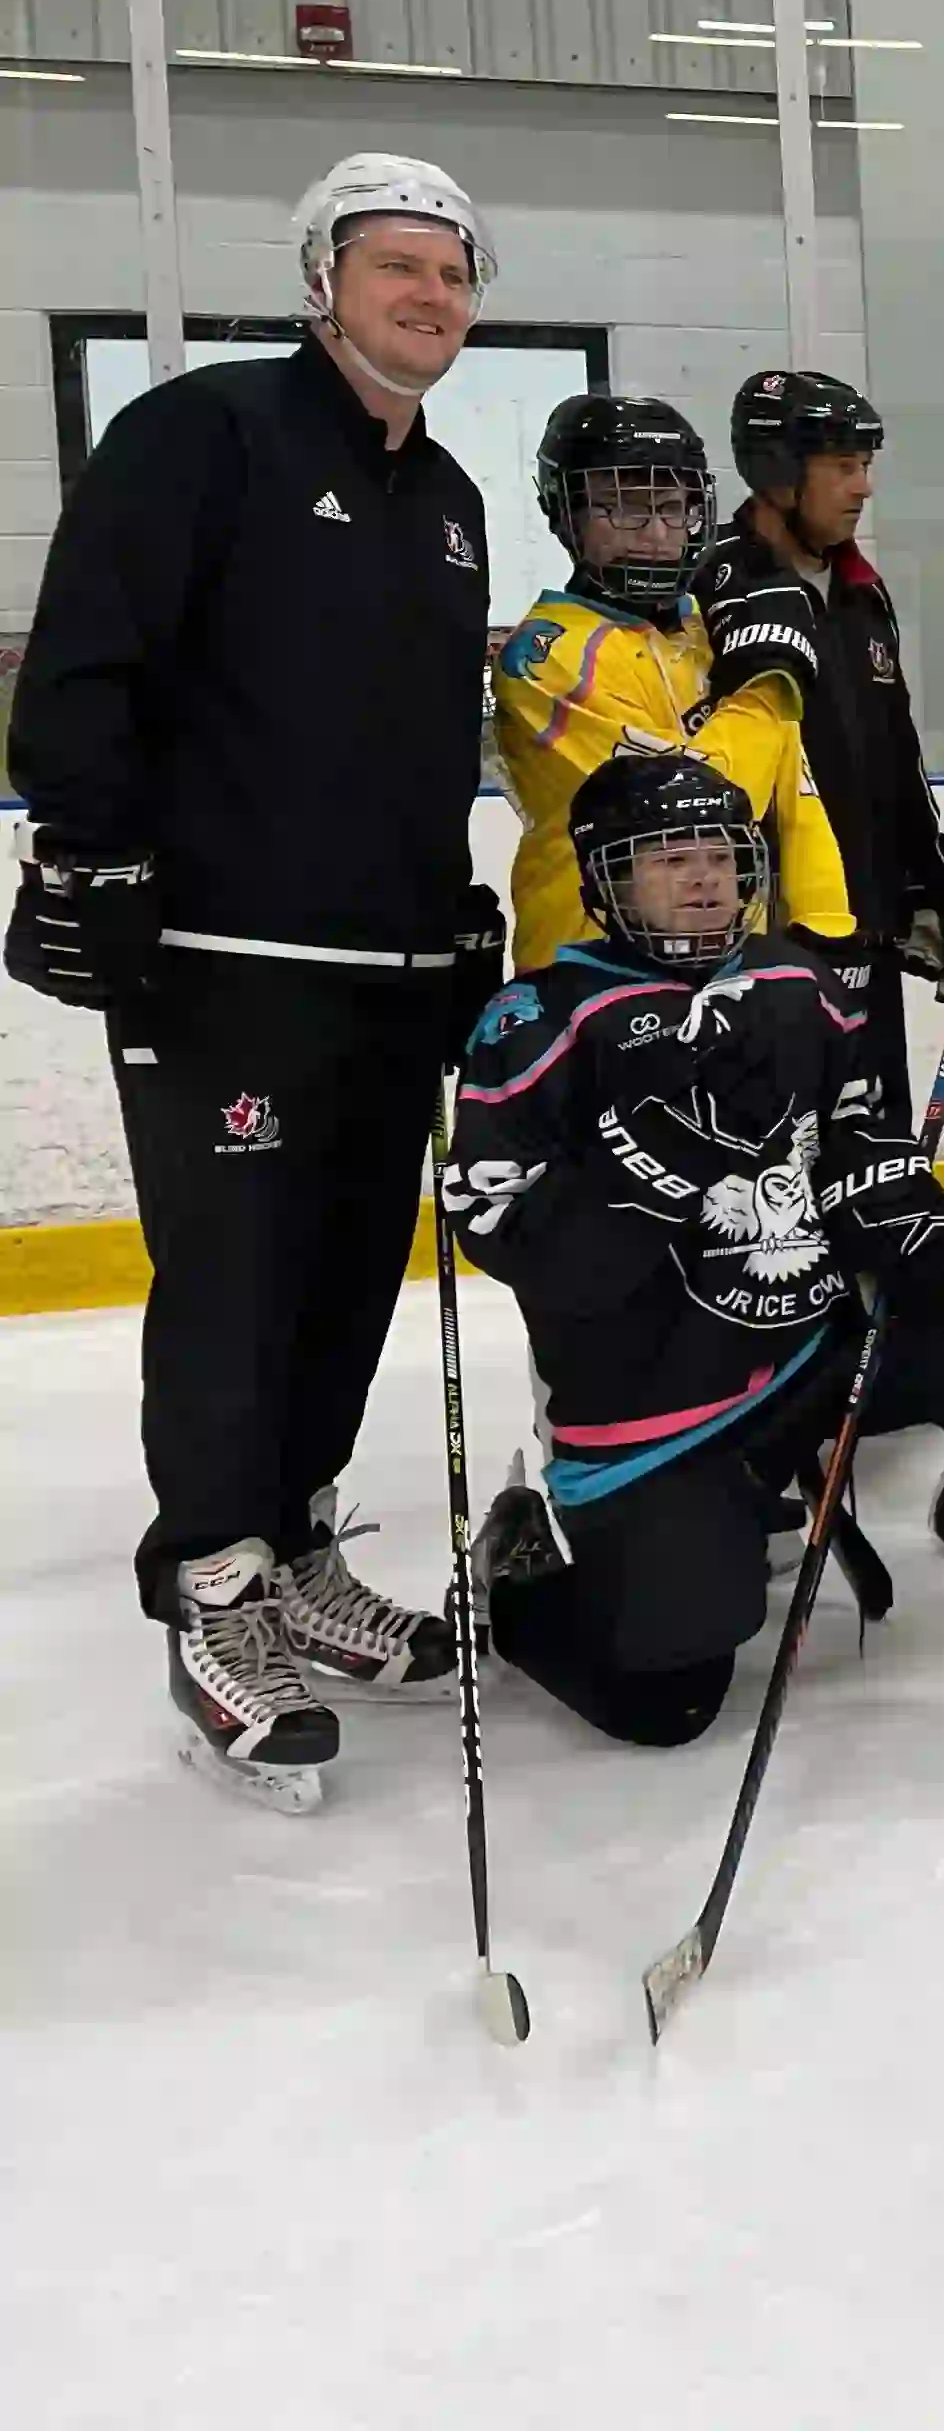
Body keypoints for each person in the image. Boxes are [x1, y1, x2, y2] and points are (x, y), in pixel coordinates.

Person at [8, 152, 509, 1801]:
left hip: (385, 964)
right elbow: (85, 652)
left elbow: (421, 749)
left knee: (347, 1277)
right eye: (396, 266)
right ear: (321, 278)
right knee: (232, 1284)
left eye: (451, 273)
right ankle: (213, 1583)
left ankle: (296, 1542)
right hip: (221, 959)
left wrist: (453, 919)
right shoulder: (203, 432)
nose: (428, 295)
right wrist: (90, 853)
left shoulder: (447, 502)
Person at [443, 756, 944, 1746]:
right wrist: (656, 1164)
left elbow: (856, 1134)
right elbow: (504, 1227)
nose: (703, 878)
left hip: (809, 1357)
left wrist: (907, 1213)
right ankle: (521, 1576)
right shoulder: (541, 1019)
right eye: (668, 858)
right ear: (606, 880)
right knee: (667, 1700)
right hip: (654, 1407)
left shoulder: (798, 982)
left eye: (722, 857)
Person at [691, 367, 944, 1109]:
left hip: (864, 928)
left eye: (867, 466)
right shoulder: (712, 589)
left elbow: (894, 749)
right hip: (762, 941)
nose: (864, 488)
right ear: (779, 472)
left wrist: (927, 880)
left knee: (868, 1152)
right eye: (845, 467)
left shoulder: (861, 591)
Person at [493, 392, 851, 972]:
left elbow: (795, 789)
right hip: (588, 973)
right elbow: (692, 806)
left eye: (674, 507)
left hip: (726, 967)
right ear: (567, 513)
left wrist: (825, 927)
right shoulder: (544, 659)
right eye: (625, 507)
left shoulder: (711, 626)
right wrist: (767, 685)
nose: (657, 532)